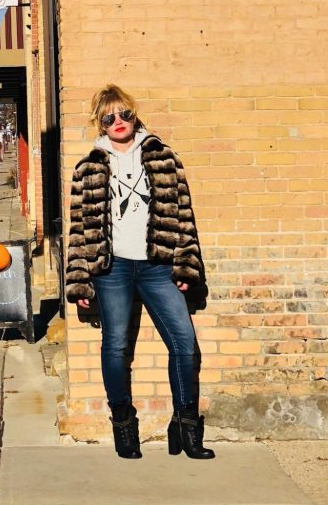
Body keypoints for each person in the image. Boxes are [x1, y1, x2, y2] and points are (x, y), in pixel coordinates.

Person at [65, 83, 215, 461]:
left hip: (157, 267)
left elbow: (184, 215)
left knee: (184, 344)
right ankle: (123, 425)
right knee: (115, 346)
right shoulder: (89, 167)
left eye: (124, 114)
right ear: (100, 123)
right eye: (109, 117)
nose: (118, 121)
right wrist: (80, 278)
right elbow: (79, 228)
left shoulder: (163, 158)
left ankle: (186, 426)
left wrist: (186, 264)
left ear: (134, 116)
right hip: (111, 269)